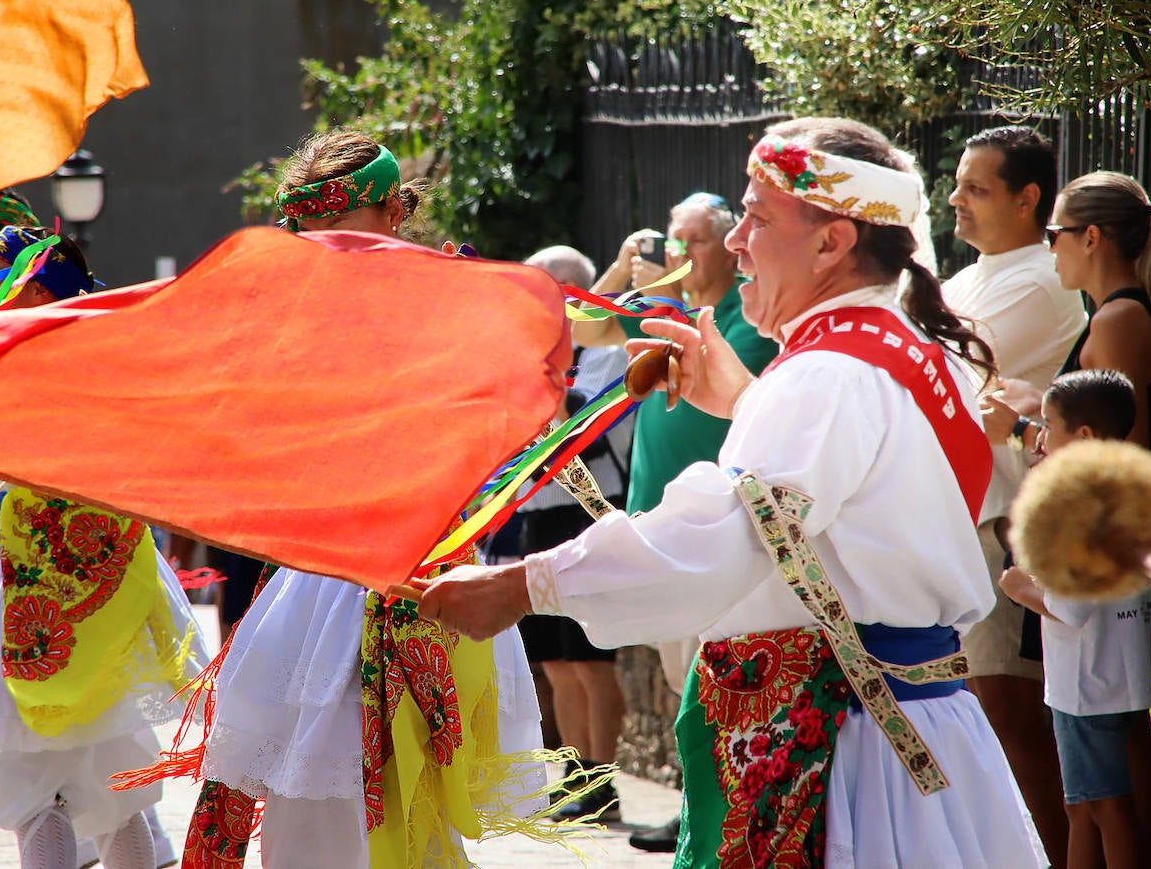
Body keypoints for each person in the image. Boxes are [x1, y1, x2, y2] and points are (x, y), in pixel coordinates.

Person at [415, 117, 1046, 867]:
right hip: (907, 731)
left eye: (759, 216)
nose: (738, 238)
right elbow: (847, 514)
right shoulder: (906, 351)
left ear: (830, 242)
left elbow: (723, 542)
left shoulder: (827, 374)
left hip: (846, 754)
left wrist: (519, 586)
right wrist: (749, 400)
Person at [140, 129, 549, 869]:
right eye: (314, 228)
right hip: (322, 579)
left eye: (345, 224)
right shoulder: (285, 316)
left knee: (400, 797)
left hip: (416, 571)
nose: (331, 245)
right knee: (315, 805)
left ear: (394, 214)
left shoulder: (442, 300)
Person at [0, 226, 208, 869]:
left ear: (32, 284)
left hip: (46, 577)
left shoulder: (33, 352)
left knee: (41, 788)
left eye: (4, 277)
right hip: (107, 570)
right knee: (114, 784)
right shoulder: (102, 344)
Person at [572, 190, 778, 852]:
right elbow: (580, 325)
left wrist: (655, 301)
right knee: (676, 673)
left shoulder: (752, 310)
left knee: (707, 685)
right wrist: (624, 270)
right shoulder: (659, 303)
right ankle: (697, 808)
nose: (679, 252)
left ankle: (714, 819)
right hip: (657, 522)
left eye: (691, 240)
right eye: (672, 238)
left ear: (728, 243)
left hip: (718, 529)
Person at [941, 125, 1084, 864]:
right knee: (974, 708)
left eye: (976, 188)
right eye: (958, 183)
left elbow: (947, 376)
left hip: (1002, 520)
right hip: (953, 517)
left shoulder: (1041, 276)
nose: (956, 200)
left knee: (1007, 707)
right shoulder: (964, 279)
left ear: (1028, 198)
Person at [999, 368, 1151, 869]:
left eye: (1048, 424)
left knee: (1104, 807)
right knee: (1084, 806)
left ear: (1084, 436)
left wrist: (1019, 586)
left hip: (1085, 686)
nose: (1041, 437)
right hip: (1115, 677)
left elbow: (1071, 607)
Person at [516, 245, 632, 823]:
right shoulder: (531, 350)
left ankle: (603, 779)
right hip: (535, 511)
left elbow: (601, 418)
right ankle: (575, 775)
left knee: (591, 658)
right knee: (556, 662)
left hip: (584, 509)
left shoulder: (602, 348)